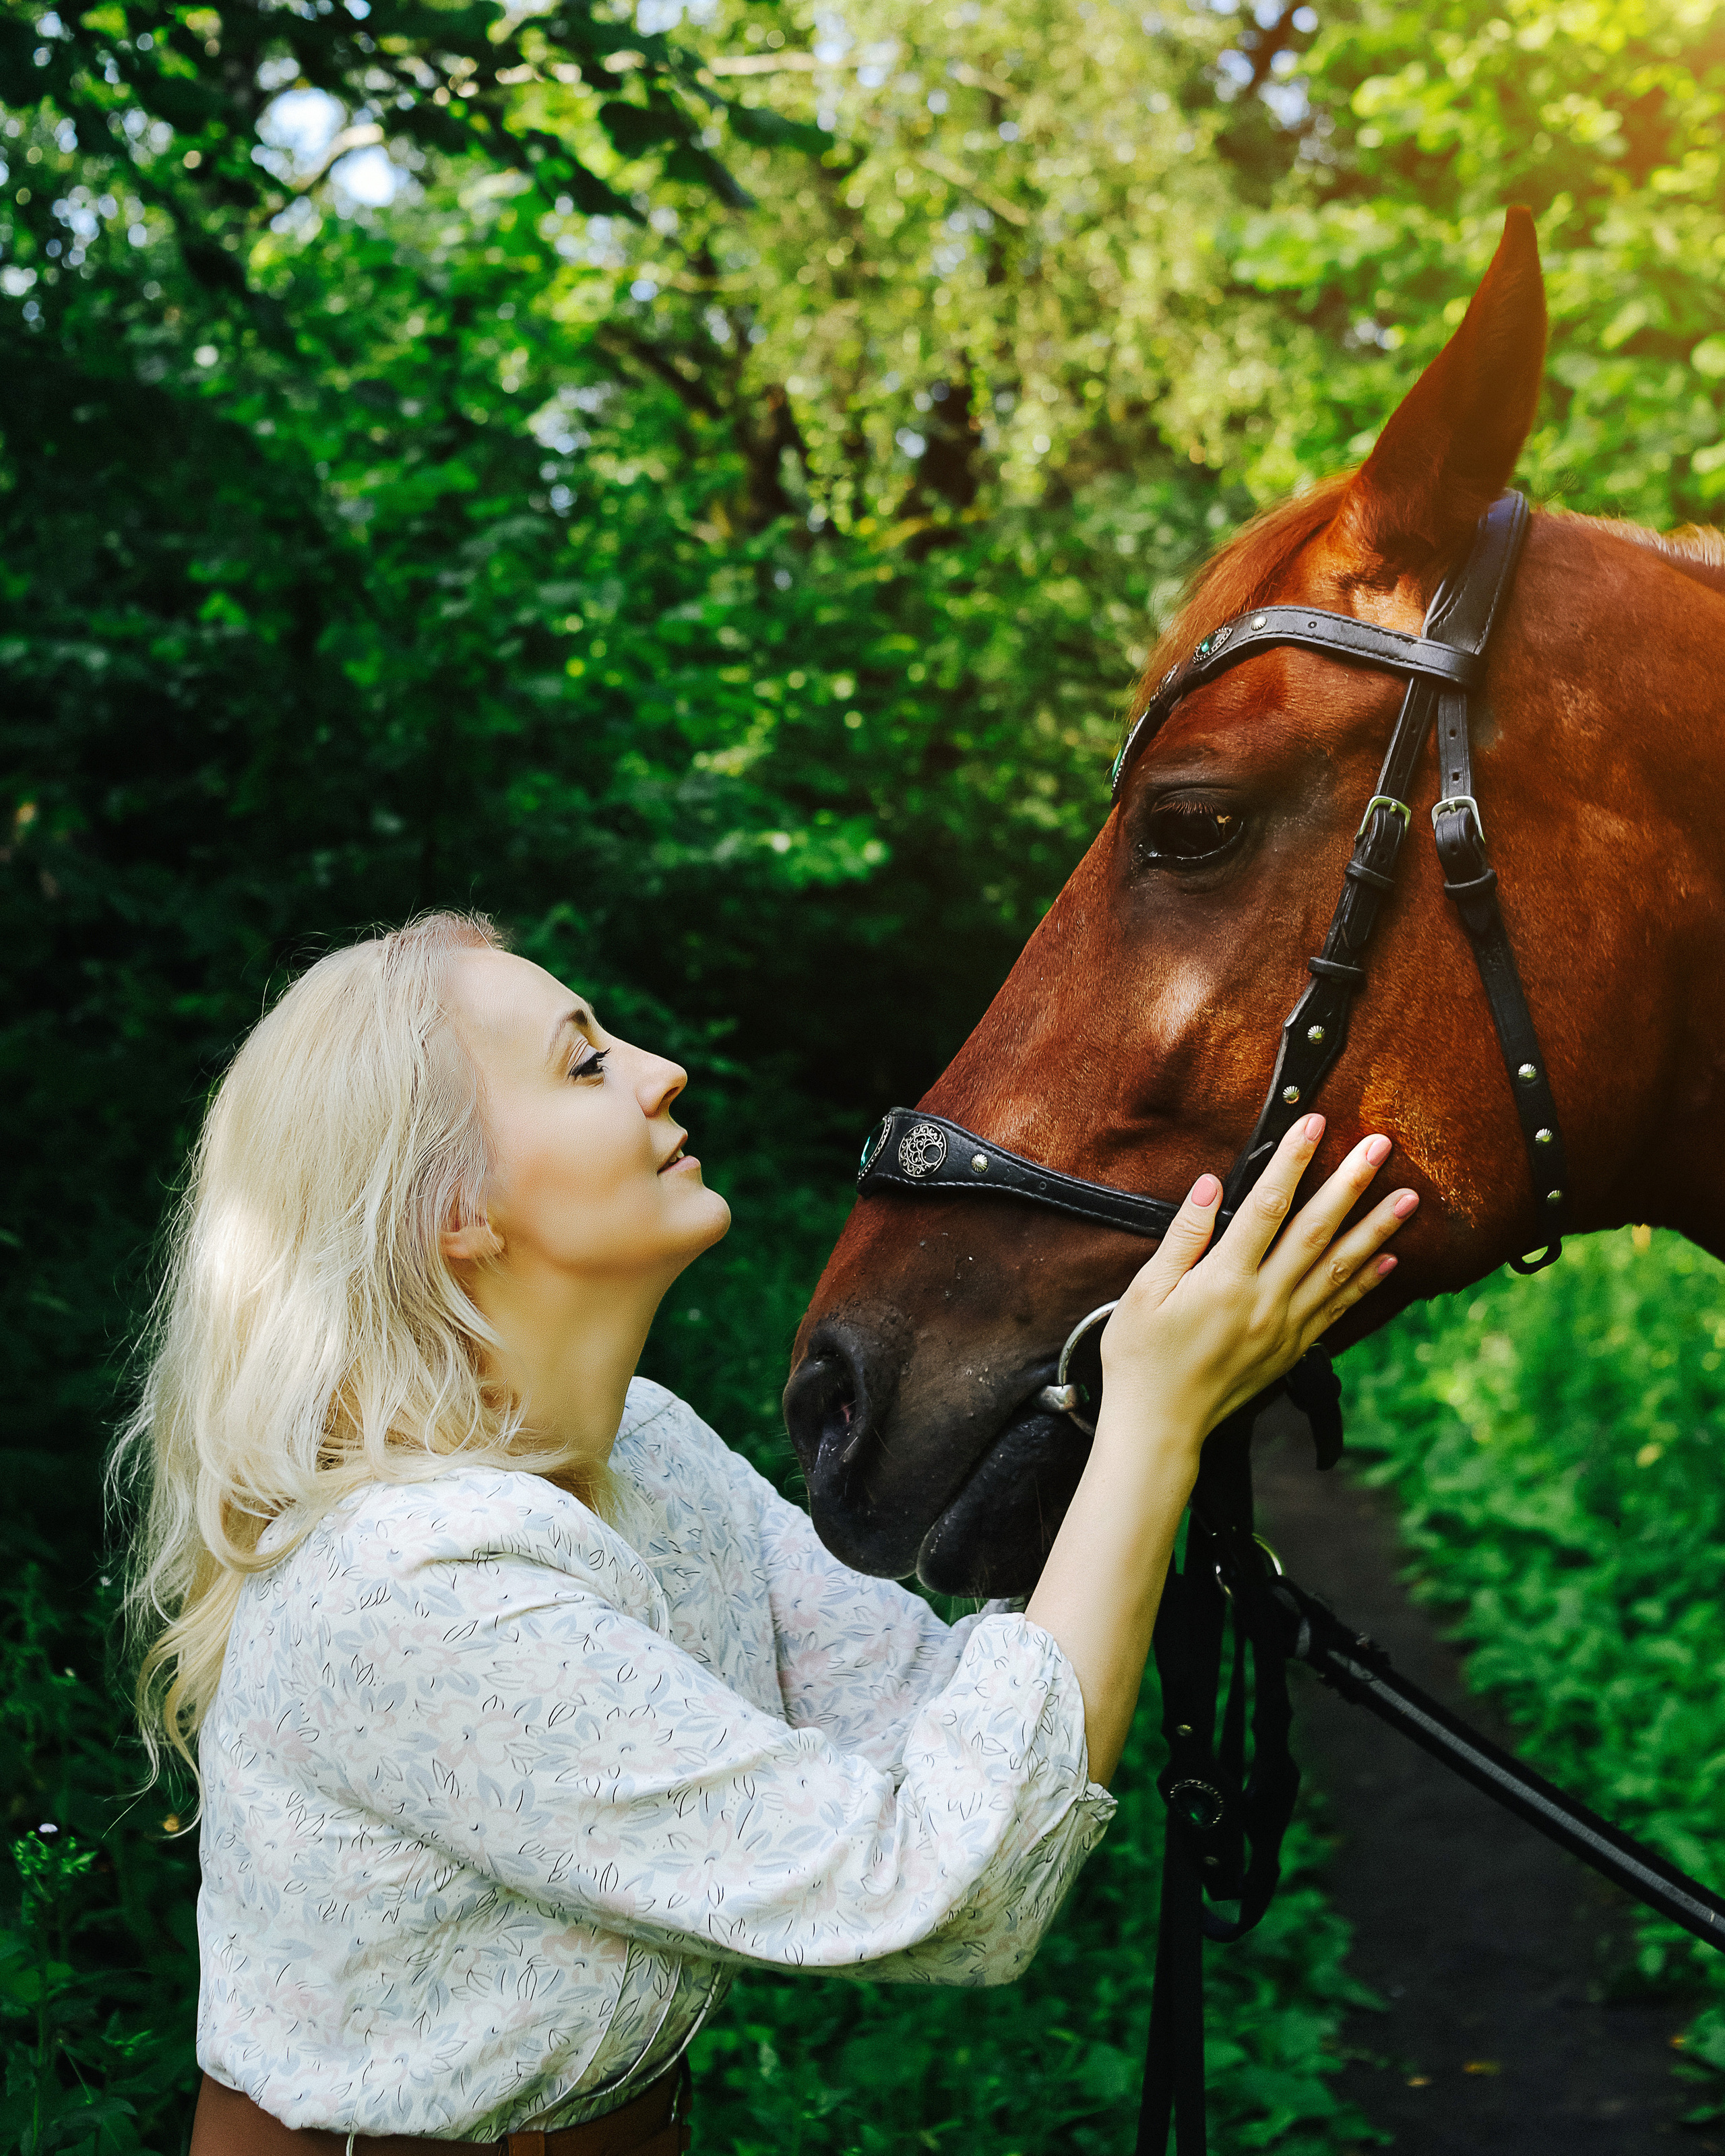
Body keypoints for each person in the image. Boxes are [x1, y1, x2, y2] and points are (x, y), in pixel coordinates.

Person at [118, 912, 1414, 2156]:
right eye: (584, 1062)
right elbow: (946, 1890)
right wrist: (1152, 1424)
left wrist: (1135, 1386)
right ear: (453, 1211)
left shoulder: (649, 1446)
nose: (660, 1070)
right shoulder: (416, 1584)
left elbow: (941, 1718)